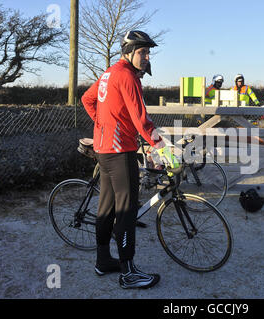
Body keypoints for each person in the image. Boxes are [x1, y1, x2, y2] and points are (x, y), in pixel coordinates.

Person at [81, 30, 177, 289]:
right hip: (120, 151)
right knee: (126, 211)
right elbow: (141, 119)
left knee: (107, 208)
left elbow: (88, 99)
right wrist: (163, 149)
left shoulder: (109, 73)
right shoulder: (127, 77)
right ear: (128, 51)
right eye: (142, 52)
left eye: (148, 52)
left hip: (104, 150)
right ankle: (129, 272)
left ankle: (103, 261)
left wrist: (103, 126)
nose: (146, 57)